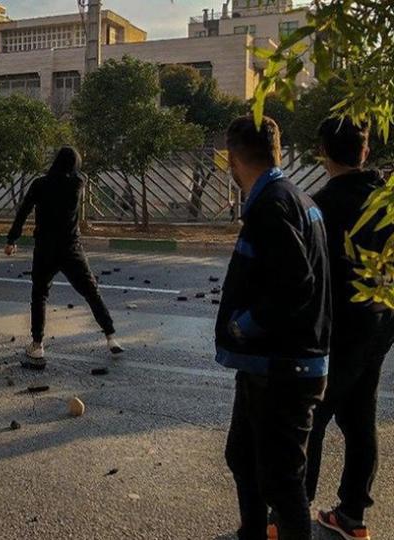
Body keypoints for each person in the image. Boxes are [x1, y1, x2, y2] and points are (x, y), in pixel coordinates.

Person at [216, 116, 331, 540]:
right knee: (242, 457)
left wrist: (245, 327)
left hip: (283, 368)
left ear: (233, 157)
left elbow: (297, 283)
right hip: (271, 366)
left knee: (282, 484)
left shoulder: (272, 205)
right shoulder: (296, 197)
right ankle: (253, 532)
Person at [305, 117, 394, 540]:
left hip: (334, 334)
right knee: (360, 421)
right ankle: (352, 516)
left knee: (311, 420)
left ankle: (288, 514)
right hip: (378, 327)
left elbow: (310, 280)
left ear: (323, 152)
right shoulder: (387, 200)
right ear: (366, 151)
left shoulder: (320, 206)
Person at [4, 146, 122, 369]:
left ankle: (37, 345)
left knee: (39, 295)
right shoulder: (78, 183)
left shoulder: (39, 185)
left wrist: (12, 239)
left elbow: (23, 211)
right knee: (91, 292)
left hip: (45, 249)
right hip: (71, 249)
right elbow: (81, 174)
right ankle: (110, 336)